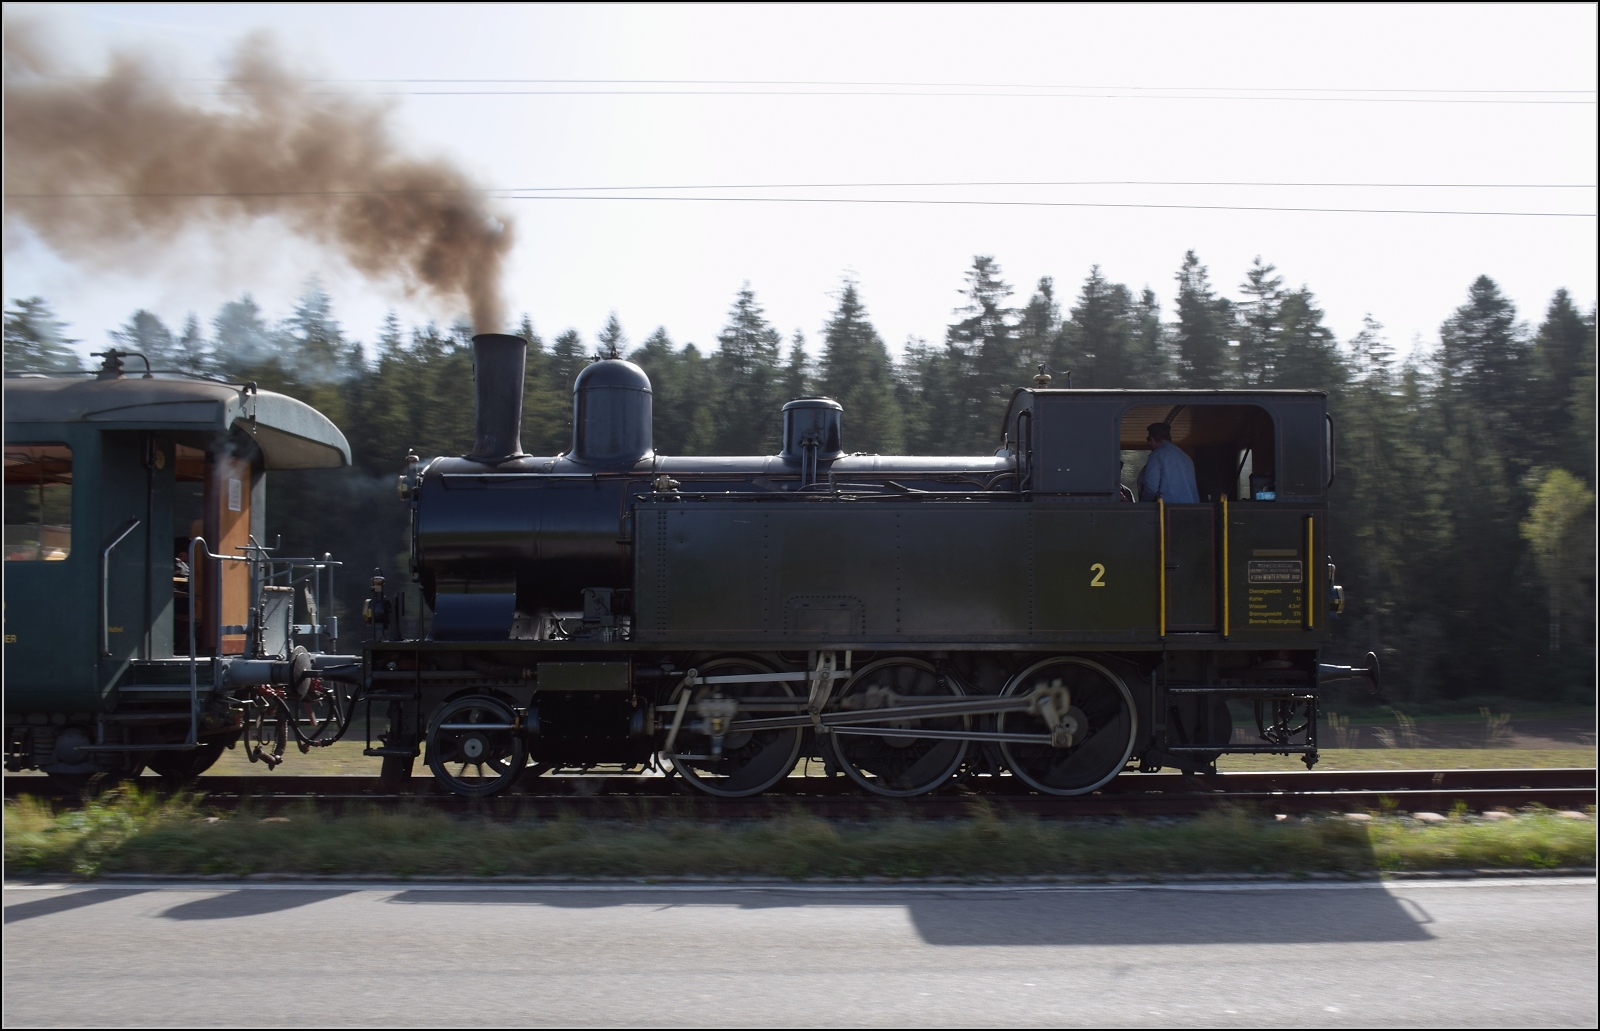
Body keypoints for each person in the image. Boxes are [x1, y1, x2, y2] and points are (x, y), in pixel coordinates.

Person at [1137, 422, 1199, 503]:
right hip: (1193, 508)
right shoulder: (1185, 457)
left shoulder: (1156, 455)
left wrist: (1143, 506)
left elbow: (1151, 487)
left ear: (1152, 439)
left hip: (1169, 509)